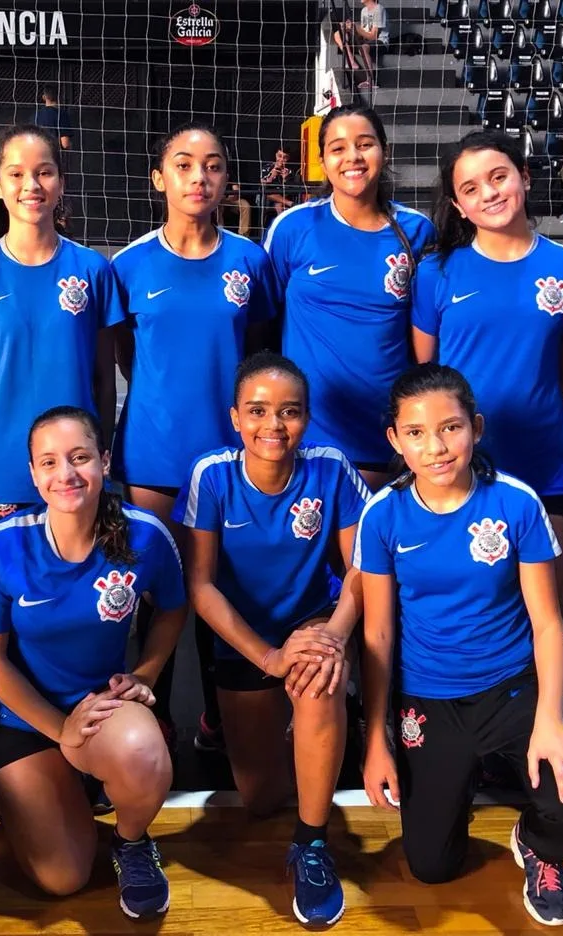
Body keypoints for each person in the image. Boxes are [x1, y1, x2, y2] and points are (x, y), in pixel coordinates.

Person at [359, 364, 563, 927]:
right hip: (429, 698)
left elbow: (548, 623)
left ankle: (538, 845)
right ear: (395, 440)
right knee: (431, 867)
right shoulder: (383, 515)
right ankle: (454, 781)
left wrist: (551, 717)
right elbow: (376, 634)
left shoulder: (515, 504)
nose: (436, 447)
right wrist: (377, 740)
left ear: (476, 427)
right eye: (417, 433)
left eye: (450, 428)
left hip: (511, 688)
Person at [0, 406, 184, 920]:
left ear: (104, 461)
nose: (66, 474)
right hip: (19, 719)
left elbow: (172, 608)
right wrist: (61, 731)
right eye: (49, 462)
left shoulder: (143, 534)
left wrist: (146, 672)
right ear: (34, 475)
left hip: (98, 705)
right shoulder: (4, 544)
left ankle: (130, 842)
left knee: (146, 755)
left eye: (80, 457)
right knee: (62, 878)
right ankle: (46, 793)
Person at [175, 352, 369, 928]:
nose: (273, 426)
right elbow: (201, 586)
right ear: (235, 418)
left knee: (315, 678)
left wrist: (334, 635)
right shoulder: (211, 476)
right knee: (260, 799)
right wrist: (266, 657)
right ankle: (282, 728)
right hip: (246, 640)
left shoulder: (330, 467)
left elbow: (360, 569)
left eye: (289, 412)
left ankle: (311, 844)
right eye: (257, 411)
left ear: (307, 419)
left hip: (310, 622)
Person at [112, 122, 275, 745]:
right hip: (153, 456)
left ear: (225, 179)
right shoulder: (128, 266)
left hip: (233, 460)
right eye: (183, 165)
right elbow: (128, 356)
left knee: (222, 589)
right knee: (152, 590)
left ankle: (216, 715)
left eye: (212, 165)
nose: (198, 177)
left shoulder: (249, 260)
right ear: (160, 179)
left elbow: (259, 354)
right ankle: (151, 713)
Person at [412, 129, 563, 551]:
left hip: (540, 455)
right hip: (456, 463)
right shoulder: (435, 274)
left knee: (550, 602)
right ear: (458, 206)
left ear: (525, 177)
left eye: (499, 177)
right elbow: (427, 376)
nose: (489, 193)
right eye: (471, 188)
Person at [0, 124, 124, 527]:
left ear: (62, 183)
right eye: (15, 174)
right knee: (7, 579)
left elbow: (104, 377)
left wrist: (99, 450)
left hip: (75, 463)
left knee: (76, 578)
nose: (31, 184)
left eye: (44, 172)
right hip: (0, 458)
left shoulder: (93, 270)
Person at [264, 103, 435, 491]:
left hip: (388, 430)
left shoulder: (418, 231)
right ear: (323, 161)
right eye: (338, 148)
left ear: (384, 151)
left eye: (365, 144)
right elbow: (263, 327)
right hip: (309, 434)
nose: (353, 157)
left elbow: (427, 330)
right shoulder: (293, 228)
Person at [261, 147, 301, 217]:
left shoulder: (290, 171)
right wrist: (271, 176)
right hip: (269, 194)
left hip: (284, 194)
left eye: (284, 158)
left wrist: (285, 179)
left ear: (288, 159)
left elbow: (292, 188)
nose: (281, 160)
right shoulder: (267, 167)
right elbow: (262, 183)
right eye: (279, 156)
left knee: (279, 204)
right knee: (276, 201)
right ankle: (290, 203)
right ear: (276, 155)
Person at [34, 84, 73, 151]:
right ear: (59, 96)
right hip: (54, 154)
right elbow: (65, 144)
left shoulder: (35, 115)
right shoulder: (62, 115)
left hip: (38, 152)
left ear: (44, 97)